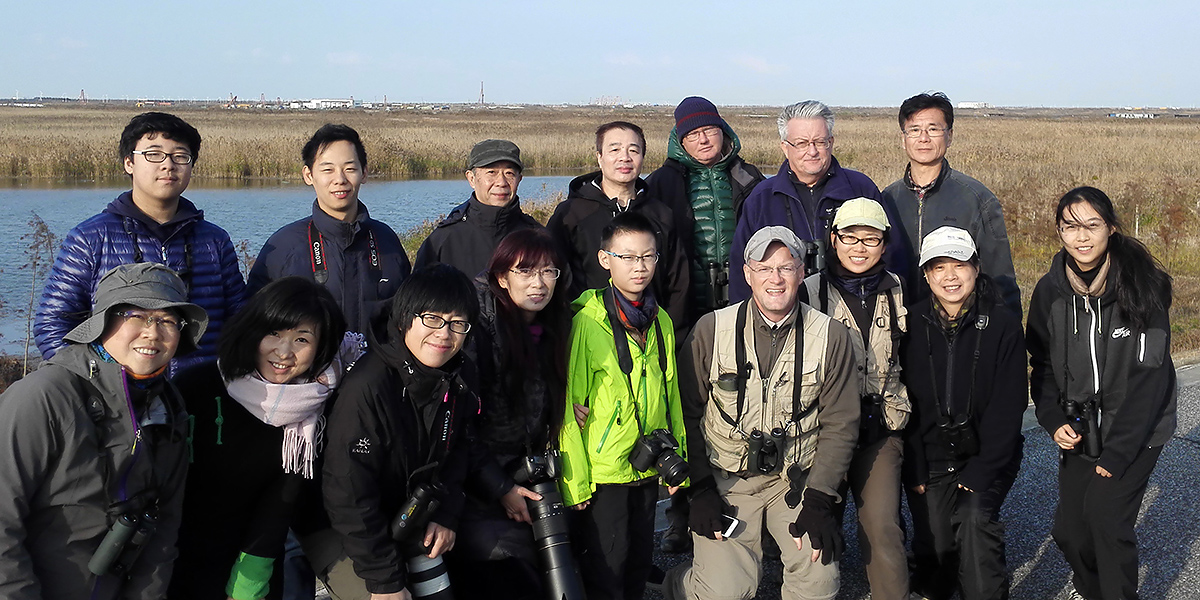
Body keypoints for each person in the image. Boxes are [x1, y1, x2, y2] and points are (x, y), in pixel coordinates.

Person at [665, 226, 859, 600]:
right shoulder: (711, 329)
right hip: (726, 481)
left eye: (786, 268)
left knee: (819, 585)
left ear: (802, 273)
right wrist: (698, 489)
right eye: (764, 267)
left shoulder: (831, 336)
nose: (776, 278)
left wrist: (820, 500)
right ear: (746, 273)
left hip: (795, 482)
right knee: (726, 592)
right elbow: (686, 414)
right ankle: (682, 583)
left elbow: (841, 424)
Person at [0, 262, 207, 600]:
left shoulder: (169, 407)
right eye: (135, 315)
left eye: (168, 320)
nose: (152, 332)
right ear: (103, 322)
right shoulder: (44, 396)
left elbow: (164, 531)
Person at [168, 277, 362, 600]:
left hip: (256, 559)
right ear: (252, 329)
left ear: (320, 348)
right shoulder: (197, 388)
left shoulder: (310, 407)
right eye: (274, 333)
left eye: (301, 339)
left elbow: (280, 505)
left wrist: (247, 588)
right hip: (179, 551)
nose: (284, 352)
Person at [1026, 187, 1176, 600]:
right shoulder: (1050, 292)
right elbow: (1040, 365)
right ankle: (1091, 590)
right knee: (1070, 532)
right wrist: (1053, 419)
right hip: (1080, 427)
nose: (1082, 237)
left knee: (1107, 522)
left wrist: (1117, 453)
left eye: (1092, 225)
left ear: (1110, 228)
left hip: (1138, 430)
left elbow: (1152, 379)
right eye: (1071, 226)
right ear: (1059, 231)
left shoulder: (1142, 288)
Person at [34, 111, 246, 372]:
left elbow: (240, 319)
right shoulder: (91, 238)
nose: (168, 165)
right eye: (154, 154)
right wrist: (95, 380)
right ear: (129, 163)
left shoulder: (214, 240)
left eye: (180, 156)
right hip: (117, 397)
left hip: (198, 392)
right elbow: (52, 323)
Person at [322, 265, 481, 599]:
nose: (444, 334)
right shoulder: (368, 387)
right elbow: (347, 494)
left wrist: (448, 512)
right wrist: (386, 581)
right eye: (432, 319)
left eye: (457, 324)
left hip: (412, 520)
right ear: (404, 318)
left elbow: (460, 449)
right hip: (347, 536)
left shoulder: (459, 375)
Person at [557, 211, 688, 600]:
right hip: (604, 472)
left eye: (648, 257)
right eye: (627, 257)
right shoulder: (589, 322)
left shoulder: (660, 319)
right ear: (604, 260)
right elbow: (570, 408)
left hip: (647, 464)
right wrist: (576, 482)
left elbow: (671, 397)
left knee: (636, 565)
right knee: (605, 571)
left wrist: (676, 462)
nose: (639, 267)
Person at [901, 226, 1026, 600]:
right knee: (937, 550)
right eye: (938, 267)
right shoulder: (910, 322)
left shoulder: (1002, 325)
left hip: (986, 454)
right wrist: (916, 466)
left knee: (974, 525)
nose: (950, 276)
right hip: (932, 457)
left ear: (976, 267)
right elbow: (903, 401)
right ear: (925, 274)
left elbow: (1010, 405)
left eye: (959, 265)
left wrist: (984, 468)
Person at [448, 229, 572, 599]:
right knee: (511, 571)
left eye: (549, 272)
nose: (539, 284)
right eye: (525, 272)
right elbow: (461, 426)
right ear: (502, 276)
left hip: (524, 468)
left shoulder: (550, 323)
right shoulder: (478, 331)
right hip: (476, 483)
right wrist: (500, 488)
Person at [800, 198, 911, 600]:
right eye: (849, 237)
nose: (859, 247)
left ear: (885, 243)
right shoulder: (808, 292)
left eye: (870, 238)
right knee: (813, 523)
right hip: (821, 432)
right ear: (833, 240)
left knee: (882, 526)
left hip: (882, 429)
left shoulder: (899, 289)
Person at [729, 100, 908, 302]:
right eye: (802, 143)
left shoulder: (861, 189)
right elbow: (741, 269)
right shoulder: (761, 199)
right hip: (789, 316)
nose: (812, 151)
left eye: (820, 142)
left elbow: (892, 254)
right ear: (785, 147)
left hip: (853, 312)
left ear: (831, 142)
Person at [247, 124, 411, 335]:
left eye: (350, 169)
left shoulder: (386, 240)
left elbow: (407, 318)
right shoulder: (283, 246)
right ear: (308, 175)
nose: (340, 180)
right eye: (327, 169)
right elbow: (255, 323)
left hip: (378, 367)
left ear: (364, 173)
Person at [882, 92, 1021, 316]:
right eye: (914, 130)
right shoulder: (887, 199)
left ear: (950, 136)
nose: (923, 138)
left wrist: (1007, 334)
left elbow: (1000, 277)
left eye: (933, 129)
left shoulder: (976, 198)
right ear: (903, 138)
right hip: (901, 326)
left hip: (961, 326)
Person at [547, 121, 689, 324]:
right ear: (599, 157)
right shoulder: (571, 214)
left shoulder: (661, 214)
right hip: (587, 331)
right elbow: (554, 277)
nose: (625, 157)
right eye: (614, 149)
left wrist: (672, 333)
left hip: (650, 331)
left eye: (634, 150)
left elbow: (677, 283)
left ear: (642, 158)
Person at [645, 96, 766, 322]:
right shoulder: (661, 183)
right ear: (681, 141)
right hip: (683, 307)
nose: (703, 140)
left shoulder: (749, 177)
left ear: (723, 131)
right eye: (692, 134)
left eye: (709, 130)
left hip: (745, 302)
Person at [413, 139, 543, 277]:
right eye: (491, 172)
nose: (501, 182)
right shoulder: (444, 239)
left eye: (509, 173)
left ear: (519, 179)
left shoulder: (538, 237)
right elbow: (418, 296)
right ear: (471, 179)